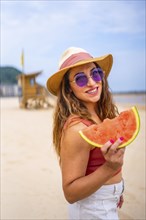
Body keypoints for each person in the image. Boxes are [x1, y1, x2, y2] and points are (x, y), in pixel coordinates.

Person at [46, 47, 125, 220]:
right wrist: (110, 168)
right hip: (93, 210)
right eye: (80, 79)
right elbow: (70, 193)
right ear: (68, 89)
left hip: (105, 203)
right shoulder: (77, 130)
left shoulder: (100, 117)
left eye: (95, 73)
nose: (91, 82)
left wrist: (117, 189)